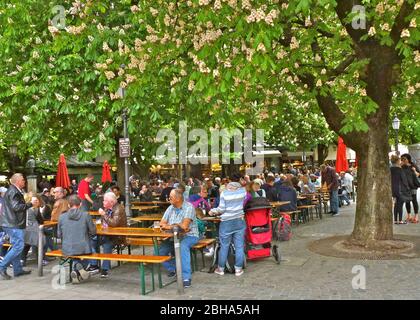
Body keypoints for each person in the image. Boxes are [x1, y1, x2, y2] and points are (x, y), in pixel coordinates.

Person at [159, 189, 199, 288]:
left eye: (171, 197)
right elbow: (161, 223)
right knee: (159, 252)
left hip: (190, 235)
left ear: (177, 199)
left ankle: (186, 277)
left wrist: (169, 226)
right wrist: (175, 225)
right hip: (173, 236)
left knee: (182, 246)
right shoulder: (170, 208)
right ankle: (175, 268)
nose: (168, 199)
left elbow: (185, 226)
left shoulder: (189, 207)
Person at [209, 173, 248, 277]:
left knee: (224, 245)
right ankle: (238, 270)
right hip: (239, 220)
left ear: (229, 181)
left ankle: (220, 269)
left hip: (226, 222)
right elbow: (242, 201)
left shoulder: (224, 193)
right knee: (239, 246)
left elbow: (221, 209)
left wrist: (212, 211)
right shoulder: (243, 191)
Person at [0, 174, 33, 280]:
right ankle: (2, 267)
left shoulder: (13, 190)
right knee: (18, 246)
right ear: (18, 181)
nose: (25, 181)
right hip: (13, 224)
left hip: (12, 223)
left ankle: (17, 270)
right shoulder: (14, 191)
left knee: (16, 246)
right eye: (23, 179)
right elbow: (16, 207)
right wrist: (30, 204)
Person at [87, 192, 127, 278]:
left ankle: (105, 269)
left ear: (111, 202)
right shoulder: (107, 208)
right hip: (106, 234)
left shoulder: (119, 209)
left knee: (107, 244)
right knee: (91, 241)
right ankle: (94, 265)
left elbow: (114, 223)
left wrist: (103, 214)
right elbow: (103, 222)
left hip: (117, 236)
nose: (103, 202)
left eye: (105, 201)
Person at [58, 195, 96, 283]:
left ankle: (76, 270)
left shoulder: (61, 217)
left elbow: (59, 235)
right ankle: (79, 267)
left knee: (74, 253)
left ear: (68, 205)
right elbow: (93, 231)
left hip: (67, 248)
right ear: (80, 204)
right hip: (83, 247)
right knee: (91, 251)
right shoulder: (85, 215)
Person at [390, 155, 412, 224]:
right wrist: (408, 188)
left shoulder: (390, 169)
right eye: (399, 160)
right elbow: (404, 180)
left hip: (393, 189)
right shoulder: (400, 170)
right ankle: (400, 220)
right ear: (397, 161)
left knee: (396, 204)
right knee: (400, 205)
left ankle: (395, 220)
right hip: (400, 190)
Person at [400, 154, 420, 223]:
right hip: (405, 187)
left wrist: (414, 171)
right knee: (407, 201)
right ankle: (409, 216)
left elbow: (419, 174)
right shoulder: (401, 167)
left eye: (404, 159)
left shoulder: (413, 166)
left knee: (414, 200)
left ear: (408, 159)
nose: (403, 160)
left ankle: (416, 216)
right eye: (402, 159)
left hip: (413, 186)